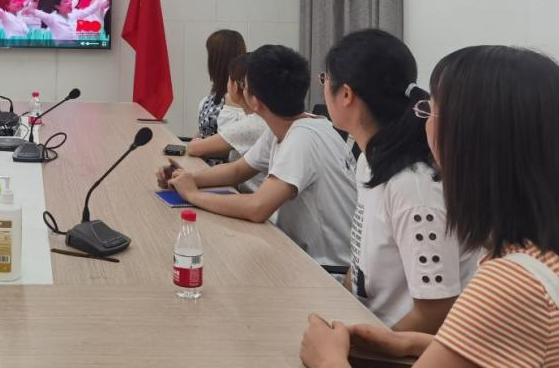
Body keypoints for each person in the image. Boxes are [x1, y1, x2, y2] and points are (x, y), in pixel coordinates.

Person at [301, 45, 559, 368]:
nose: (422, 121)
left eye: (431, 110)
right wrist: (413, 343)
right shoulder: (533, 256)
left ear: (469, 140)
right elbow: (506, 344)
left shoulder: (511, 284)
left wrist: (327, 359)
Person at [321, 30, 478, 332]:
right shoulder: (371, 160)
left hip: (399, 347)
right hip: (367, 329)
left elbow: (435, 313)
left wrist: (363, 347)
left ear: (346, 94)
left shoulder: (413, 187)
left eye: (324, 80)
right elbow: (359, 266)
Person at [158, 45, 356, 269]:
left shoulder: (301, 139)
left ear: (255, 101)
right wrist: (185, 178)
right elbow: (237, 171)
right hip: (300, 255)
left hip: (325, 272)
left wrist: (192, 195)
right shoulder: (295, 126)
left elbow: (257, 208)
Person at [186, 55, 268, 192]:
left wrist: (188, 182)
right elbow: (236, 171)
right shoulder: (260, 119)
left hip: (249, 196)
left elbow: (194, 148)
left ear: (237, 86)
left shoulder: (252, 124)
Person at [194, 29, 247, 139]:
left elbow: (228, 142)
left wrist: (195, 145)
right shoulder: (208, 100)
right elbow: (201, 134)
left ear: (216, 61)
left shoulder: (240, 105)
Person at [32, 0, 109, 42]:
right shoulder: (53, 18)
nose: (70, 2)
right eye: (66, 1)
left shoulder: (73, 14)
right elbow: (41, 14)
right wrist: (30, 11)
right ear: (57, 6)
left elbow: (90, 10)